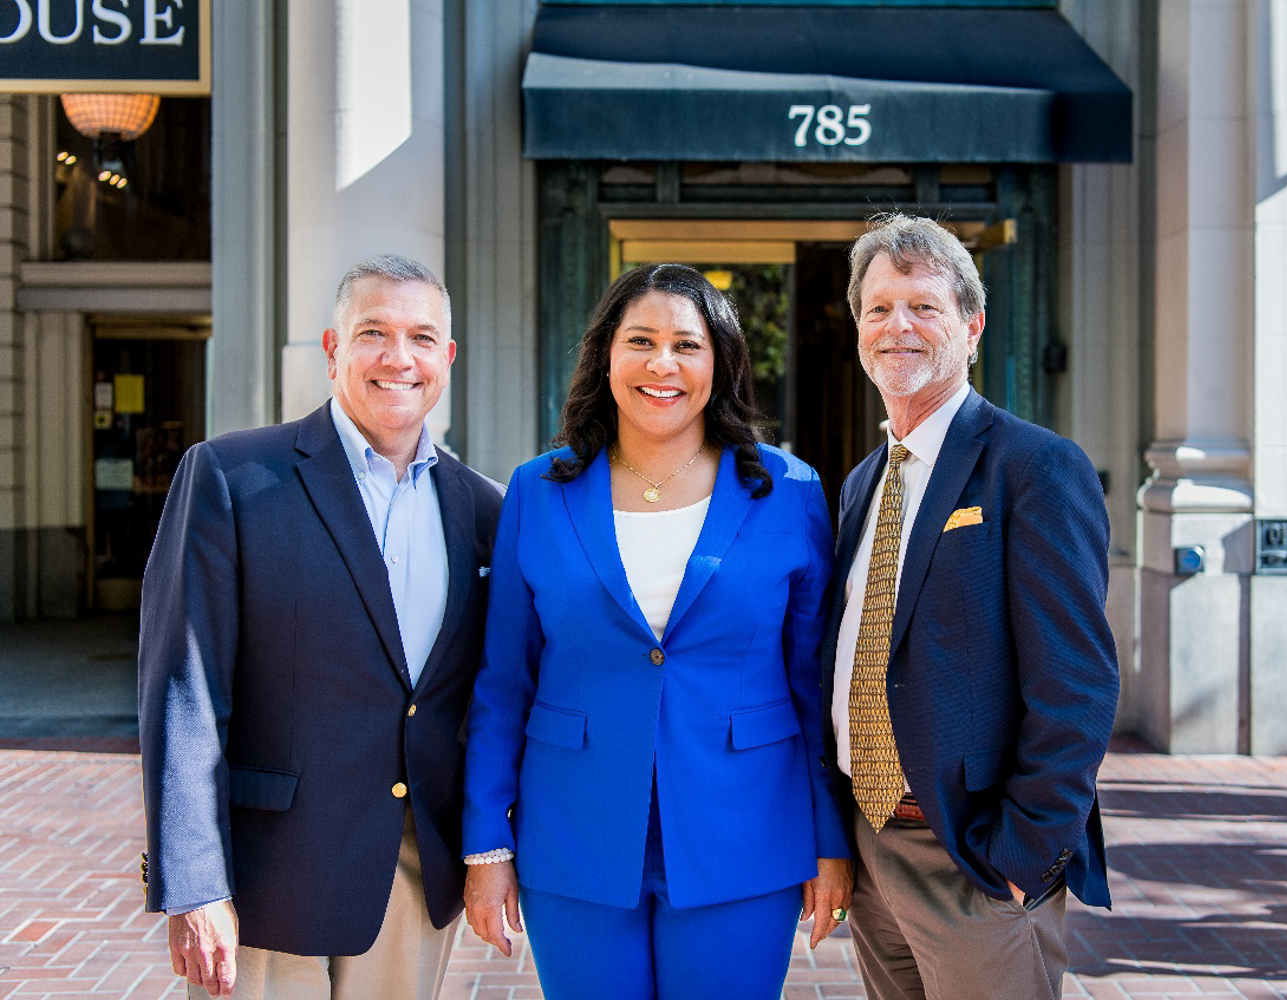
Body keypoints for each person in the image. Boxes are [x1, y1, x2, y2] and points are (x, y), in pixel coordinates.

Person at [461, 263, 852, 999]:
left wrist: (830, 842)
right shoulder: (537, 493)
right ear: (606, 356)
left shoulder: (789, 491)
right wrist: (486, 840)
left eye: (687, 345)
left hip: (744, 834)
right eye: (640, 340)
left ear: (722, 363)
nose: (662, 364)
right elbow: (503, 679)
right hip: (573, 834)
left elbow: (813, 686)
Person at [137, 255, 503, 1000]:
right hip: (270, 876)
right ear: (334, 349)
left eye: (423, 338)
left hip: (412, 872)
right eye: (374, 332)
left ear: (448, 358)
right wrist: (194, 882)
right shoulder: (233, 479)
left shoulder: (484, 508)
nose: (399, 358)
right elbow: (183, 690)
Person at [822, 214, 1119, 1000]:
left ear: (972, 326)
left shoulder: (1035, 468)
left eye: (924, 306)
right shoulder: (861, 485)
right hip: (873, 847)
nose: (899, 327)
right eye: (879, 309)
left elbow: (1077, 689)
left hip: (974, 858)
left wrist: (1023, 860)